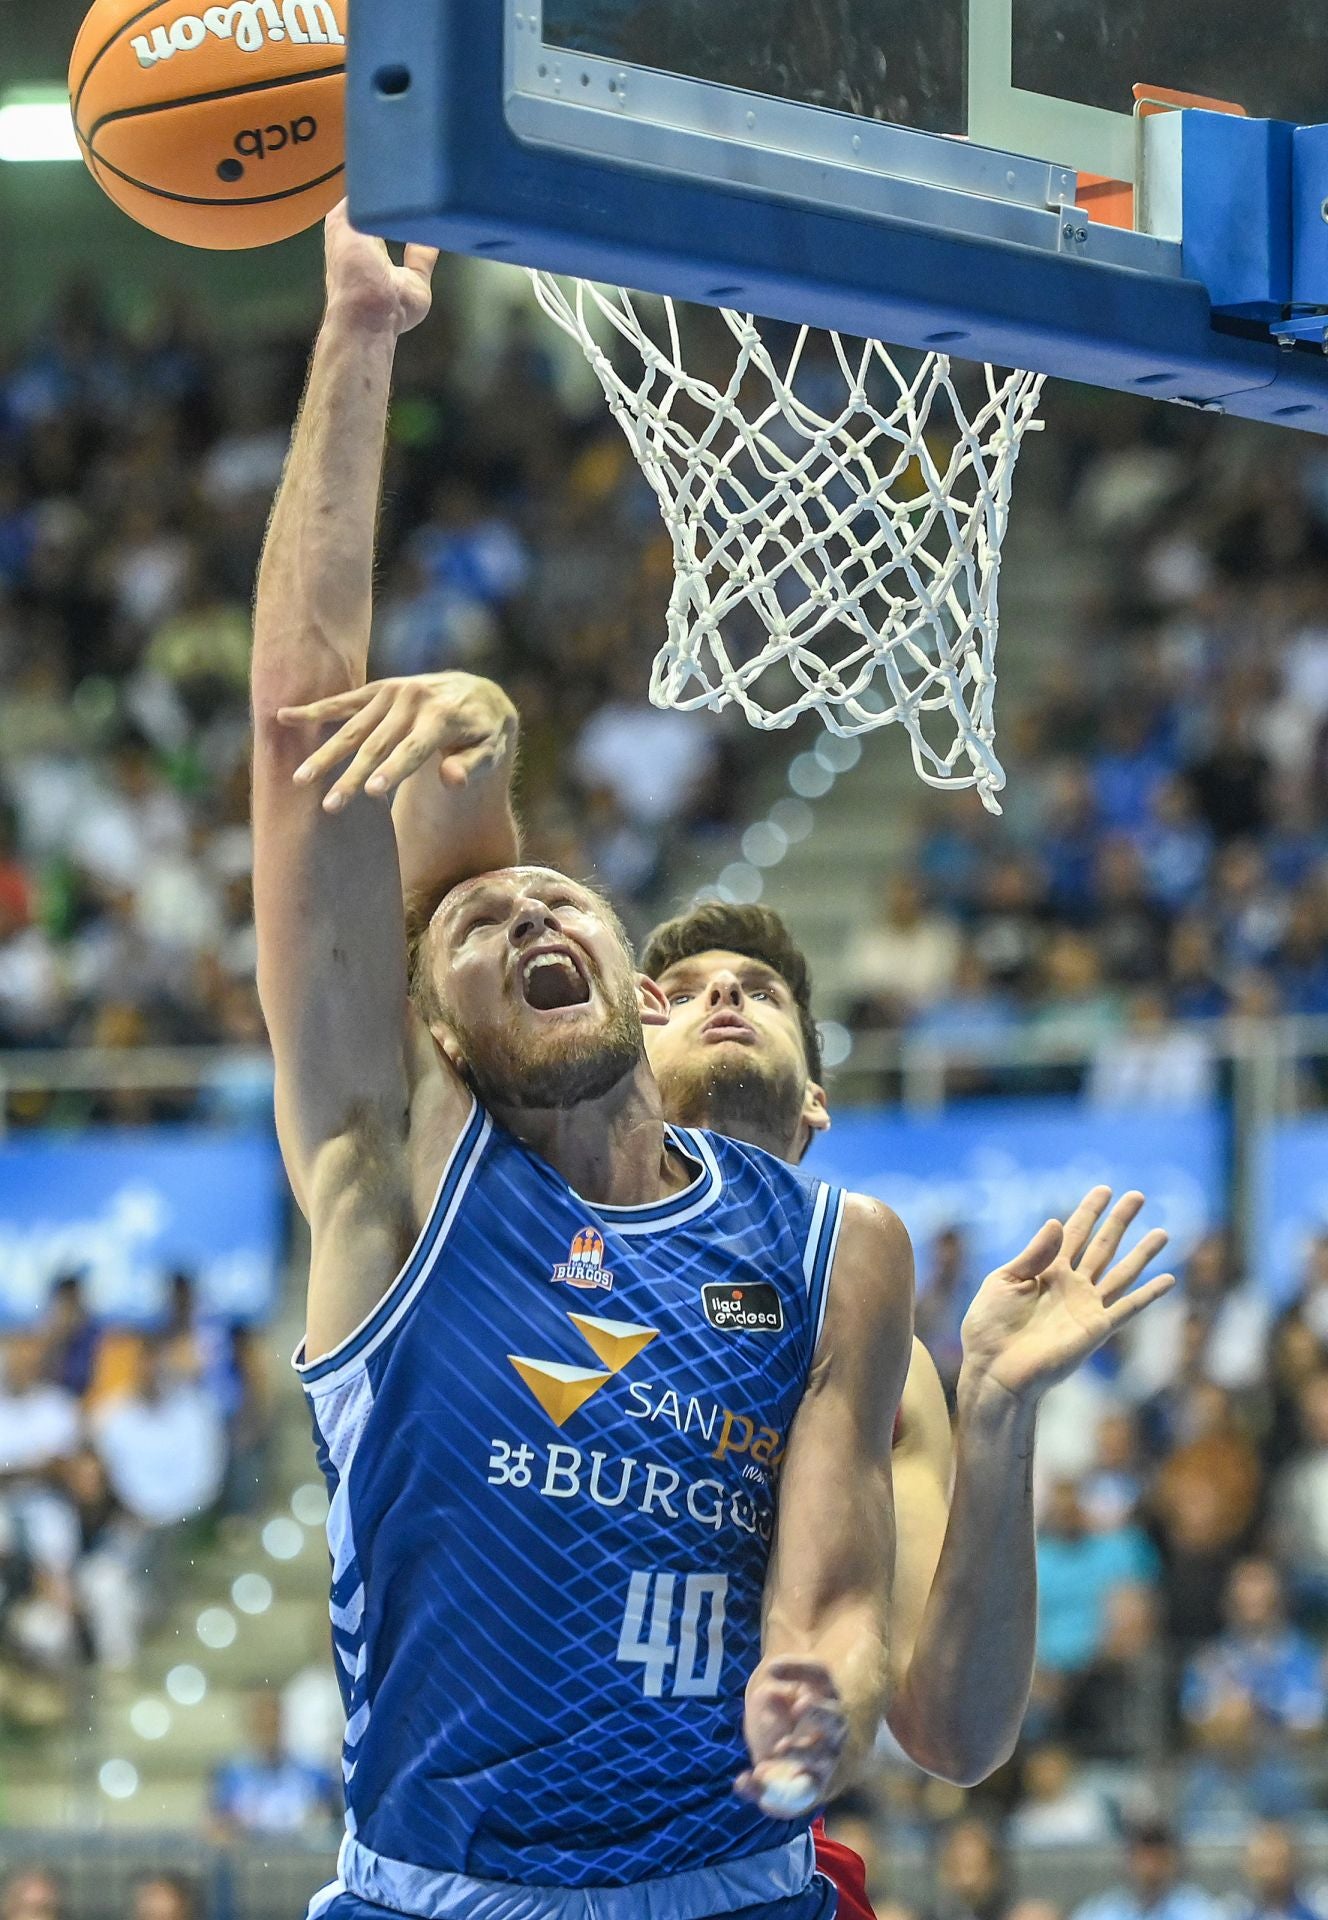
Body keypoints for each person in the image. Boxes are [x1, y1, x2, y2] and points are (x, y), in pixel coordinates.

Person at [255, 206, 916, 1920]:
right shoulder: (390, 1191)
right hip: (433, 1891)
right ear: (436, 1041)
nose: (527, 915)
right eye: (475, 930)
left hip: (733, 1884)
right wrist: (356, 339)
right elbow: (307, 746)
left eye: (563, 905)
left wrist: (819, 1688)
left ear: (626, 968)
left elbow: (838, 1575)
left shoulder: (828, 1247)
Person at [288, 670, 1175, 1908]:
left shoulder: (854, 1313)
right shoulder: (489, 1202)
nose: (722, 994)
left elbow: (952, 1735)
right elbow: (428, 943)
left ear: (815, 1100)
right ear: (624, 1032)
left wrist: (994, 1412)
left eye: (759, 995)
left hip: (726, 1869)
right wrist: (472, 753)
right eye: (691, 986)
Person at [1070, 1821, 1222, 1920]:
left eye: (1160, 1858)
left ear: (1176, 1863)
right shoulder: (1102, 1909)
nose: (1151, 1868)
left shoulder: (1200, 1909)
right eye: (1143, 1857)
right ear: (1127, 1862)